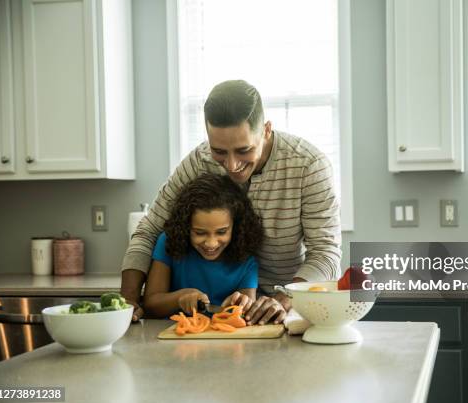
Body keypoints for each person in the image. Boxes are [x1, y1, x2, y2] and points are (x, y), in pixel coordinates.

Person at [121, 79, 341, 324]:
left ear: (266, 130)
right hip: (225, 314)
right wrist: (128, 300)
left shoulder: (309, 165)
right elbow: (149, 230)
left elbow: (325, 253)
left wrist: (283, 299)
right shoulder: (198, 162)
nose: (232, 165)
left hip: (290, 307)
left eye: (243, 150)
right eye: (219, 152)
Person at [143, 174, 264, 319]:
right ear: (185, 226)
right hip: (175, 333)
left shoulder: (246, 258)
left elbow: (247, 311)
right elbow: (150, 305)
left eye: (222, 232)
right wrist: (180, 298)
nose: (211, 243)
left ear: (236, 227)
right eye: (200, 233)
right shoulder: (167, 242)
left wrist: (240, 304)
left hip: (226, 337)